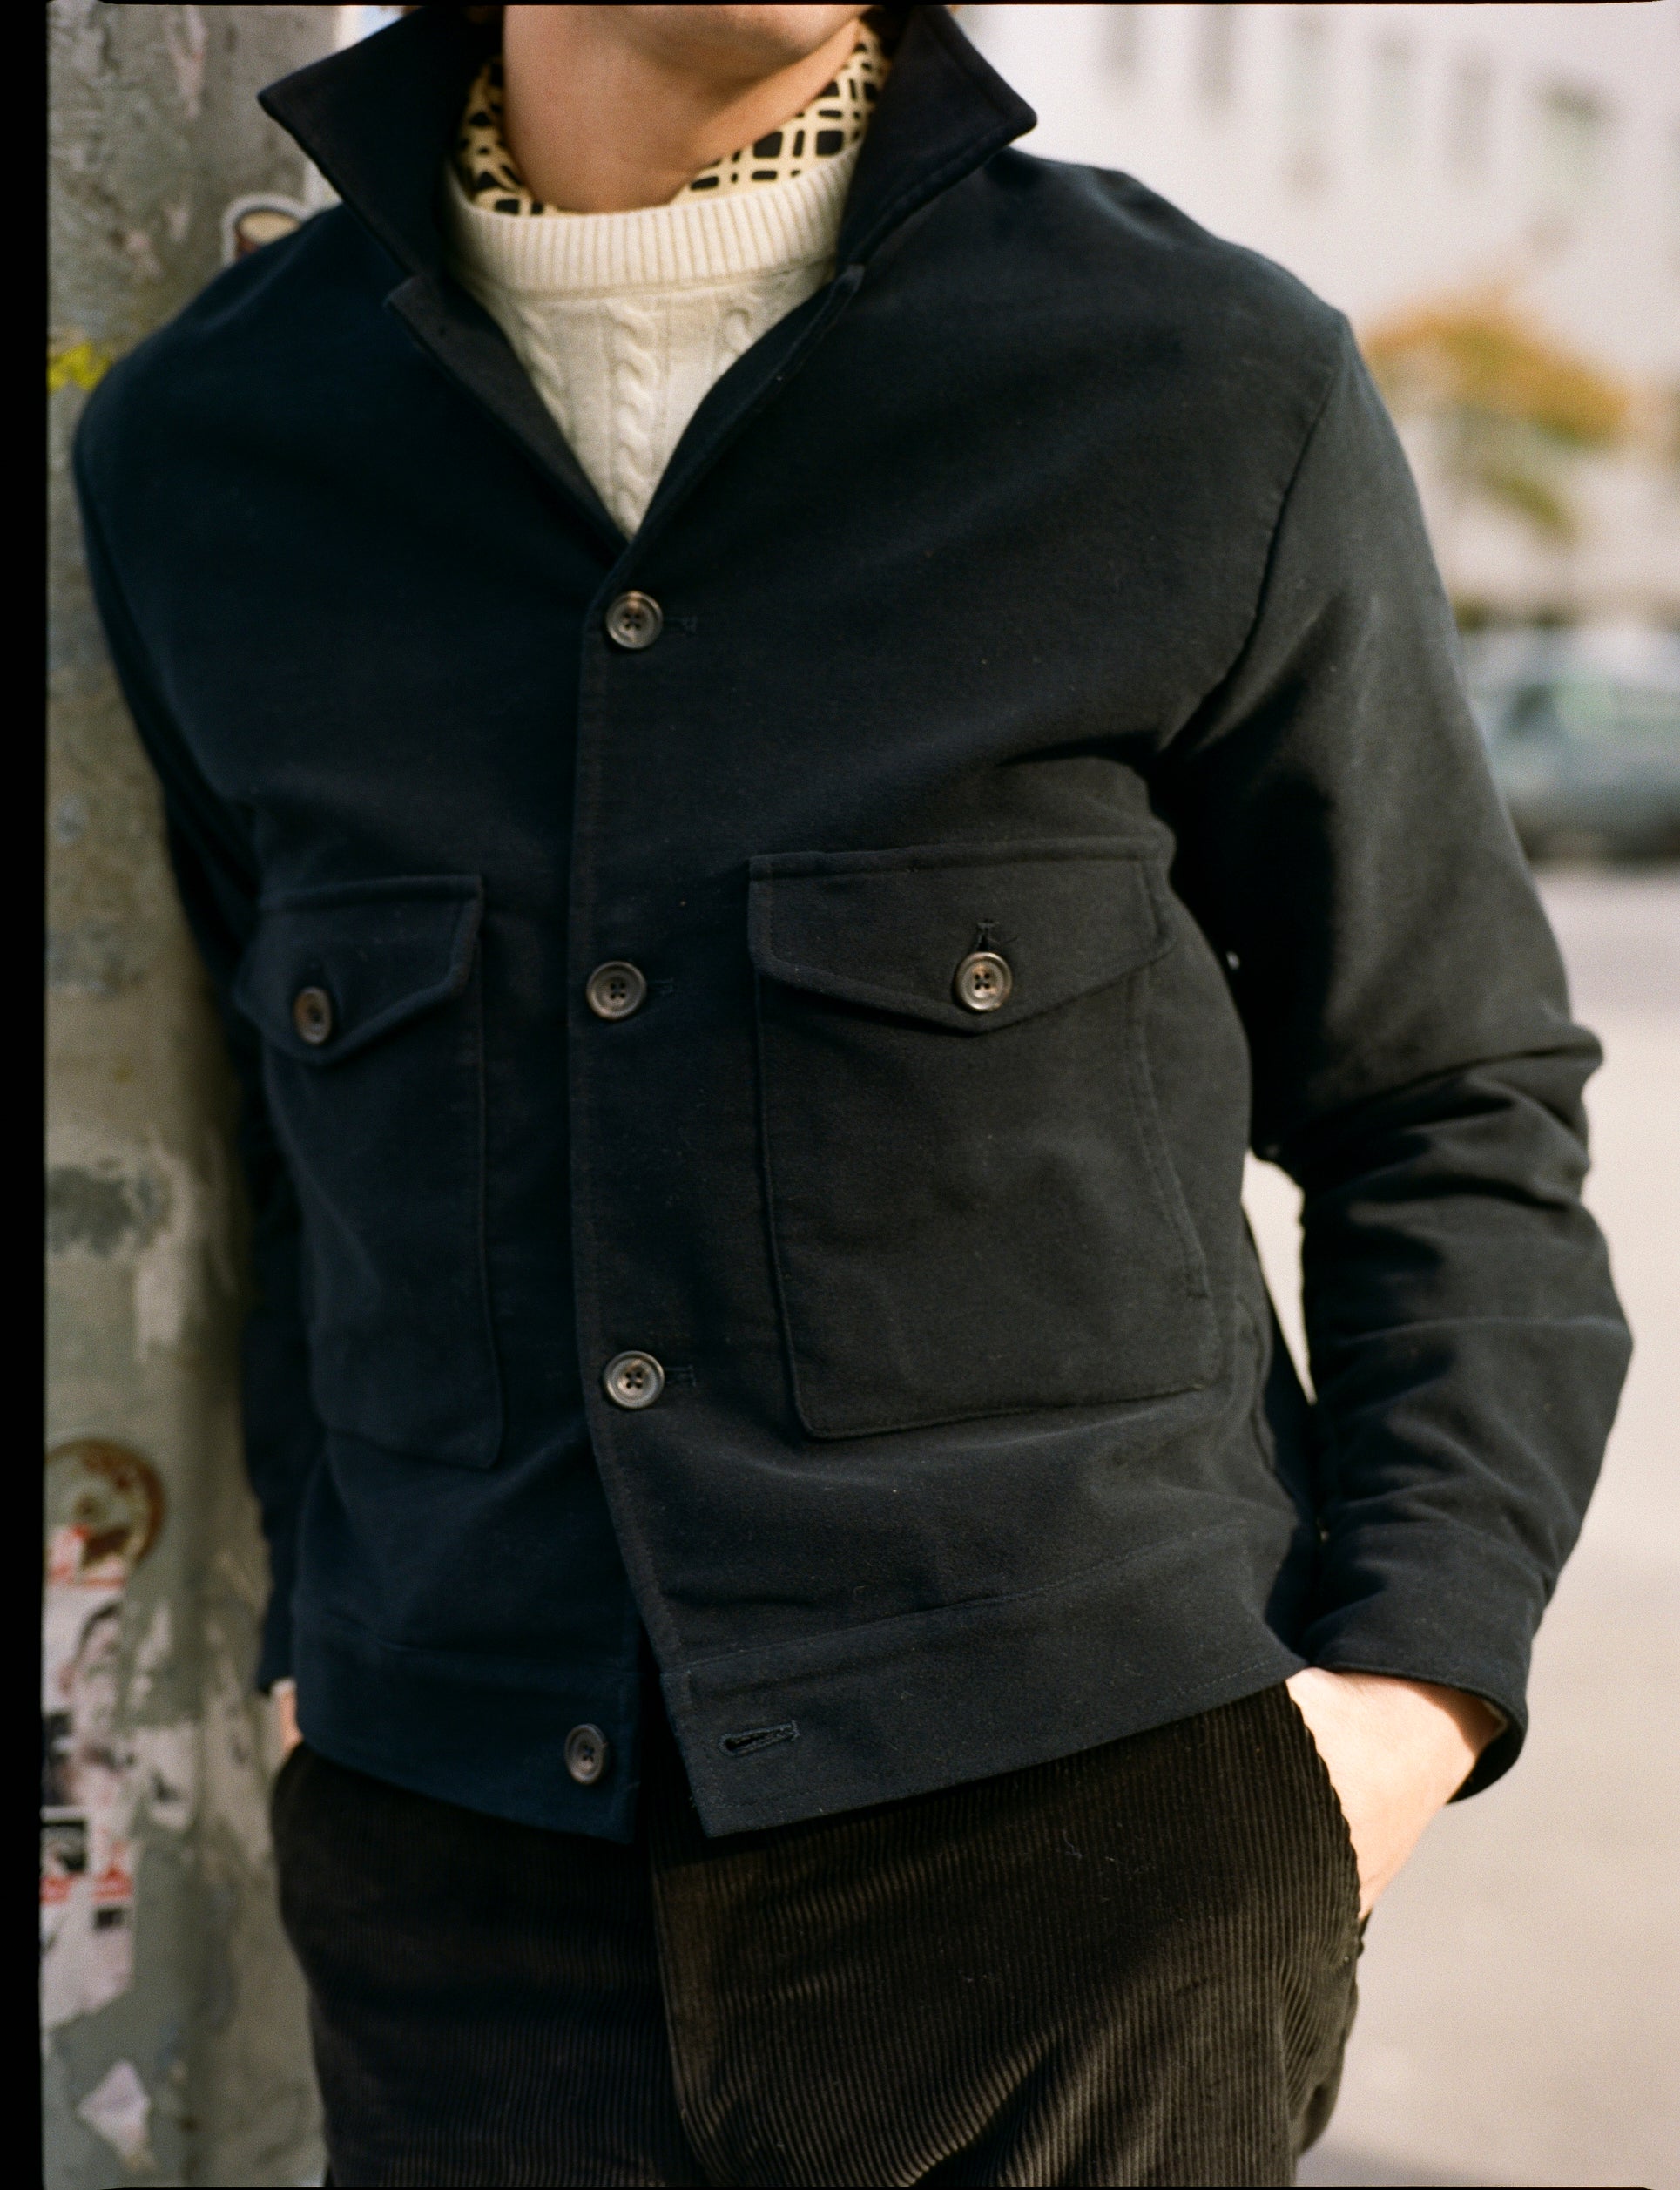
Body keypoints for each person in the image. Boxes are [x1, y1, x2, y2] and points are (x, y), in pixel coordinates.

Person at [74, 5, 1629, 2182]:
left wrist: (1400, 1706)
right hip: (455, 1899)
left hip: (1094, 1890)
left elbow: (1446, 1100)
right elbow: (287, 1142)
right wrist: (316, 1658)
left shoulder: (1196, 382)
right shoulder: (205, 450)